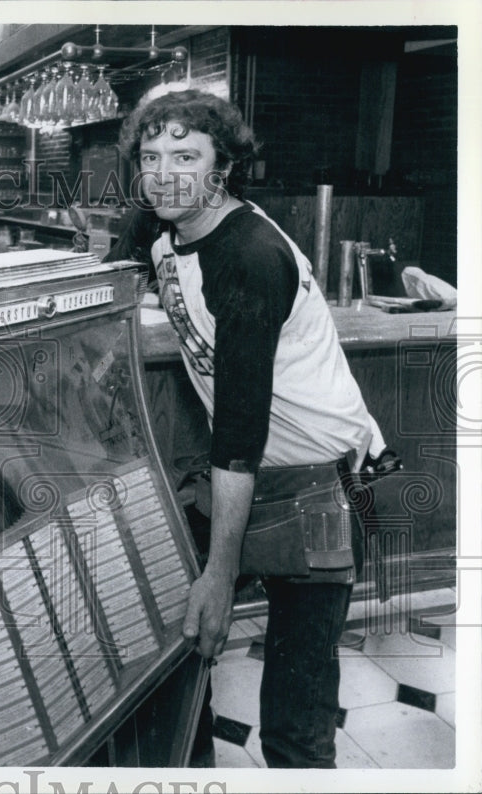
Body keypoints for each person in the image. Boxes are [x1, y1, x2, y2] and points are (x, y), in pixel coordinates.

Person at [104, 88, 388, 768]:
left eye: (186, 156)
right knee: (167, 641)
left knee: (295, 711)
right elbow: (113, 280)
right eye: (151, 156)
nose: (165, 172)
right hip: (257, 474)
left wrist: (221, 573)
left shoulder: (251, 258)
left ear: (221, 168)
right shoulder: (157, 218)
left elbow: (239, 428)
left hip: (332, 485)